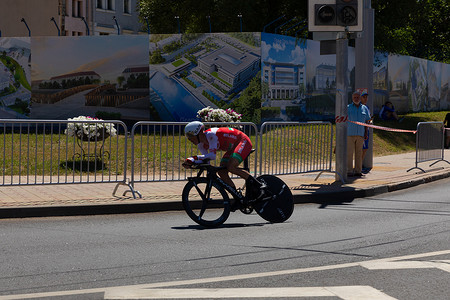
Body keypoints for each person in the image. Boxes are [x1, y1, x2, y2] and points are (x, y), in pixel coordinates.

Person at [182, 121, 265, 203]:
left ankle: (259, 185)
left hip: (242, 141)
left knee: (231, 167)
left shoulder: (211, 135)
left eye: (190, 135)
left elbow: (212, 156)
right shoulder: (201, 144)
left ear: (199, 133)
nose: (189, 139)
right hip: (232, 147)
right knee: (222, 172)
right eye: (187, 136)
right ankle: (237, 198)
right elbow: (206, 160)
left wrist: (193, 158)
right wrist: (191, 163)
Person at [347, 91, 371, 177]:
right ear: (352, 98)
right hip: (350, 134)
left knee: (359, 153)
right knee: (349, 153)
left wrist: (366, 132)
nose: (356, 99)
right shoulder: (348, 108)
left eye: (358, 97)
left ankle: (358, 170)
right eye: (355, 98)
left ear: (360, 98)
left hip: (360, 134)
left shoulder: (364, 108)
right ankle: (349, 171)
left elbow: (367, 121)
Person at [360, 91, 373, 172]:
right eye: (364, 97)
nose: (365, 99)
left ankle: (360, 165)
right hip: (361, 130)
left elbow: (368, 119)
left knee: (365, 148)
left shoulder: (367, 108)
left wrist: (370, 120)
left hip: (366, 129)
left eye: (366, 97)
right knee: (361, 148)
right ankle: (359, 166)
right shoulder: (359, 107)